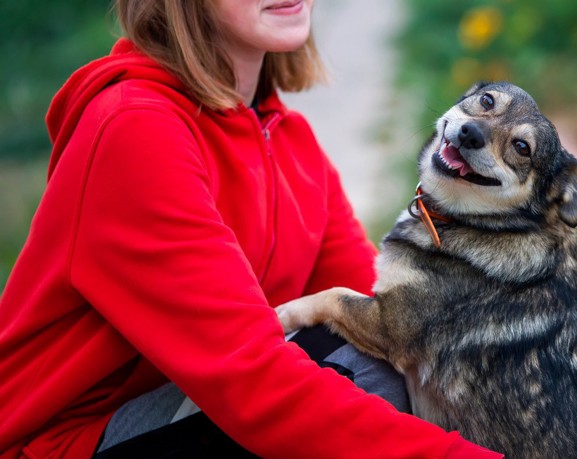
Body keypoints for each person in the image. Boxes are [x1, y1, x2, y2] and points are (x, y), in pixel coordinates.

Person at [0, 1, 503, 457]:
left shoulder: (291, 143)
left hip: (186, 410)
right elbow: (254, 383)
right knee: (363, 378)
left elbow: (393, 322)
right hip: (68, 443)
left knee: (396, 362)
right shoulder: (134, 129)